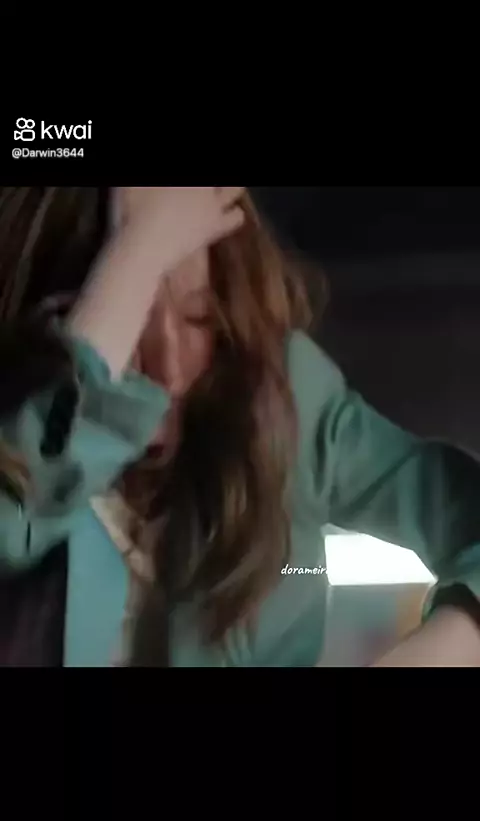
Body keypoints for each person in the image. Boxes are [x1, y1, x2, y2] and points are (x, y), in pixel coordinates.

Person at [1, 185, 480, 667]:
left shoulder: (284, 402)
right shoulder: (20, 431)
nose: (170, 370)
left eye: (199, 317)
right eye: (131, 315)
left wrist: (453, 637)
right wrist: (135, 253)